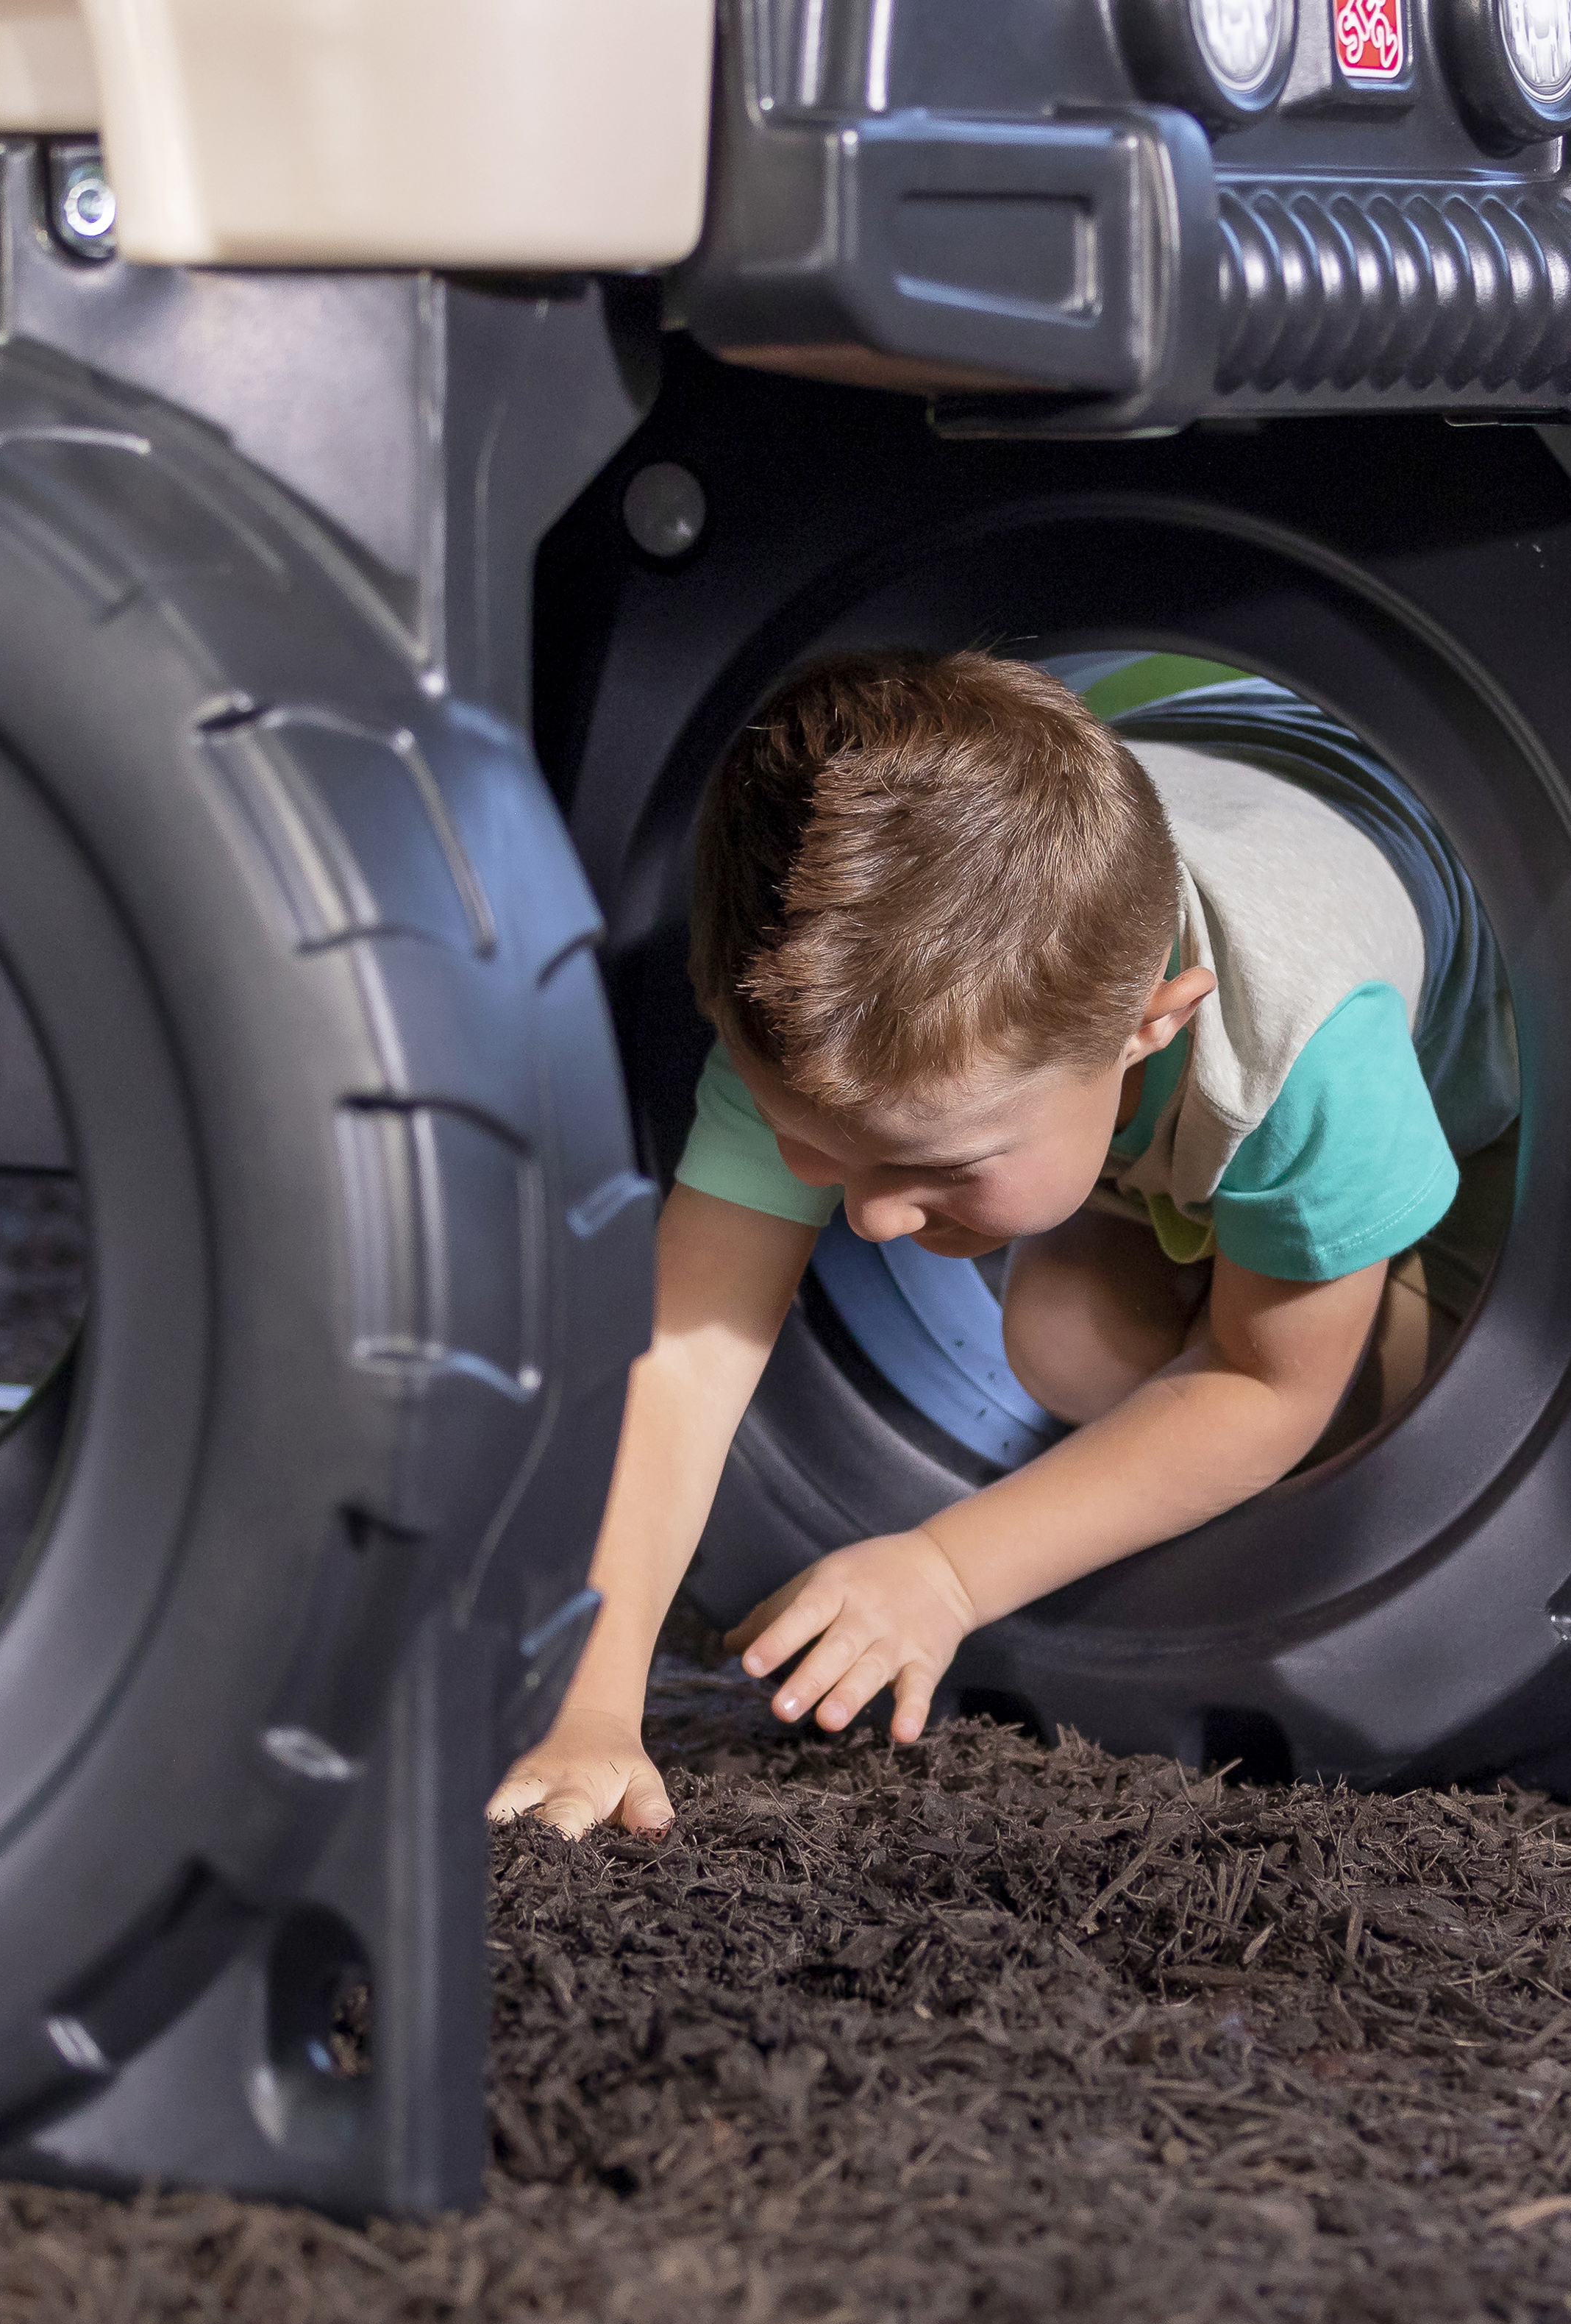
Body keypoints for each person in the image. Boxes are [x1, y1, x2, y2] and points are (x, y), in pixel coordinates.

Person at [490, 650, 1517, 1838]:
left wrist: (949, 1570)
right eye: (811, 1148)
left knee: (1389, 1392)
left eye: (942, 1166)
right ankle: (1180, 1232)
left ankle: (1326, 1254)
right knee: (1067, 1343)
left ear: (1146, 1032)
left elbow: (1268, 1387)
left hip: (1459, 1023)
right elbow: (680, 1359)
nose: (872, 1221)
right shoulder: (817, 1021)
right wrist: (589, 1704)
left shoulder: (1309, 1059)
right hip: (1197, 802)